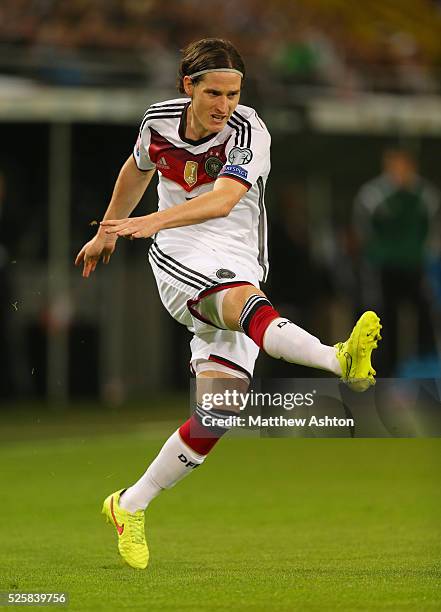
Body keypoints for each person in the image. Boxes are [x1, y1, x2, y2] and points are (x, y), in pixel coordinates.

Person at [75, 38, 381, 570]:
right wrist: (109, 229)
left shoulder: (248, 131)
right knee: (242, 303)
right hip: (179, 254)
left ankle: (129, 504)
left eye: (234, 93)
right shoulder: (158, 122)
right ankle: (338, 360)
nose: (224, 105)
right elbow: (137, 167)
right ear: (187, 86)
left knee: (218, 412)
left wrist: (148, 220)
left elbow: (222, 200)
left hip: (236, 257)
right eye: (213, 92)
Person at [353, 148, 439, 376]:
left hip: (414, 264)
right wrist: (376, 252)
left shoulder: (424, 194)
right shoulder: (374, 194)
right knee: (382, 319)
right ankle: (383, 373)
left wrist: (423, 251)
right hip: (384, 266)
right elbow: (363, 227)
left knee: (424, 315)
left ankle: (426, 370)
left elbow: (432, 226)